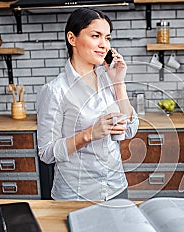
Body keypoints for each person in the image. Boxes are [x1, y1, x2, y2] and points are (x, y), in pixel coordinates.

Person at [37, 7, 139, 201]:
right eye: (96, 36)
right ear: (72, 38)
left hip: (116, 188)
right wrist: (88, 135)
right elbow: (47, 153)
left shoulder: (109, 80)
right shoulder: (55, 90)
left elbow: (129, 130)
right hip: (77, 194)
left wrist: (119, 83)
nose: (104, 45)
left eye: (107, 38)